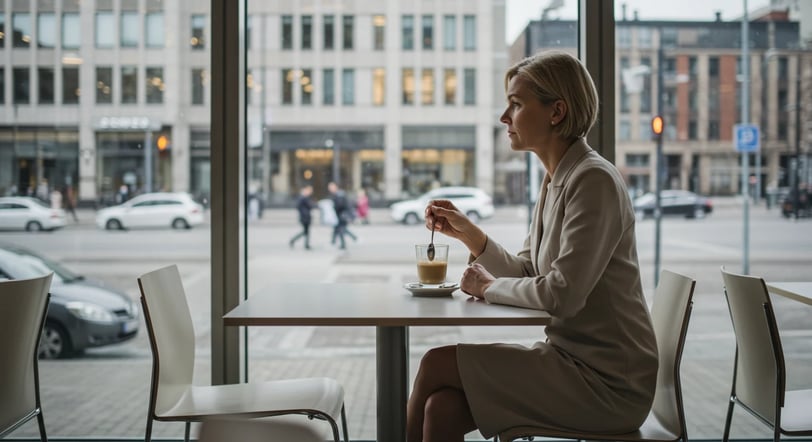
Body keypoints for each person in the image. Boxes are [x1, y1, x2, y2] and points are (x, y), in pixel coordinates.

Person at [406, 51, 658, 442]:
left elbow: (563, 293)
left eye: (517, 104)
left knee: (436, 364)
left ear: (556, 112)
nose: (505, 118)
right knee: (442, 409)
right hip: (570, 361)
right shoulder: (557, 179)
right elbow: (529, 272)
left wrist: (487, 287)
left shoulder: (593, 181)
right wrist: (469, 234)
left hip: (608, 382)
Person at [328, 182, 357, 249]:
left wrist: (333, 206)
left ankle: (342, 244)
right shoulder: (336, 195)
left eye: (331, 187)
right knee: (338, 229)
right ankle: (334, 242)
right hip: (339, 216)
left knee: (341, 229)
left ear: (335, 187)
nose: (330, 189)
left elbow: (340, 205)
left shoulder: (339, 195)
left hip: (342, 215)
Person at [289, 185, 314, 250]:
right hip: (304, 217)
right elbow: (302, 207)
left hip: (306, 217)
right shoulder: (303, 198)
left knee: (306, 231)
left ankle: (306, 244)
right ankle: (295, 241)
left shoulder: (305, 198)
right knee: (306, 231)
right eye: (309, 190)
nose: (310, 192)